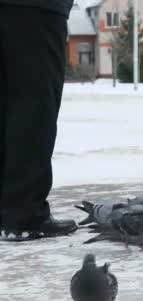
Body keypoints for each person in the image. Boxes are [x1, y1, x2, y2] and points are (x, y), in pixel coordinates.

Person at [0, 0, 78, 241]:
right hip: (36, 7)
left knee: (6, 100)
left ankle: (9, 211)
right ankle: (23, 215)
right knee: (35, 104)